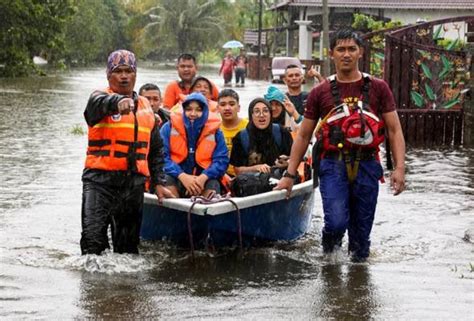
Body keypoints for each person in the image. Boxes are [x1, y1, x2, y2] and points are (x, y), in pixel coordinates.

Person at [275, 28, 406, 263]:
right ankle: (330, 260)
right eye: (341, 49)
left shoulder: (378, 88)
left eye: (351, 49)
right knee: (335, 222)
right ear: (331, 53)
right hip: (331, 164)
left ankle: (358, 286)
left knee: (361, 237)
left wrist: (399, 169)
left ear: (360, 53)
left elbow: (395, 131)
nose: (346, 54)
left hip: (367, 164)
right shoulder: (319, 92)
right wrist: (289, 174)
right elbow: (304, 135)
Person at [80, 49, 175, 255]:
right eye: (118, 71)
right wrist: (116, 102)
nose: (124, 76)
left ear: (135, 74)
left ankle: (125, 288)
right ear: (108, 75)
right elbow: (95, 107)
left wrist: (158, 183)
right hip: (100, 182)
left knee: (127, 251)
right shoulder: (99, 98)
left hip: (132, 184)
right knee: (92, 243)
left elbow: (156, 151)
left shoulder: (146, 108)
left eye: (128, 71)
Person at [160, 92, 229, 198]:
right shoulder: (167, 128)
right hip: (176, 177)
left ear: (205, 111)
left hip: (203, 180)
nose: (193, 113)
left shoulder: (216, 132)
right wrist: (182, 176)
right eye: (188, 109)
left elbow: (221, 161)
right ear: (183, 110)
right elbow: (161, 158)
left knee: (213, 183)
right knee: (165, 179)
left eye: (198, 110)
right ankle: (174, 211)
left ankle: (205, 212)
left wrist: (203, 177)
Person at [230, 98, 293, 175]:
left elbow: (296, 158)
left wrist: (287, 162)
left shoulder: (281, 132)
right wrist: (256, 168)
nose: (261, 115)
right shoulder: (241, 137)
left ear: (270, 114)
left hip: (280, 179)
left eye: (265, 111)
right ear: (251, 115)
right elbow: (237, 170)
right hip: (252, 183)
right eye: (257, 111)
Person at [216, 89, 248, 176]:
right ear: (217, 108)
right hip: (221, 176)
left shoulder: (249, 127)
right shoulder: (213, 129)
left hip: (246, 175)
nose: (227, 108)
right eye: (223, 105)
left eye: (232, 104)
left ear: (238, 108)